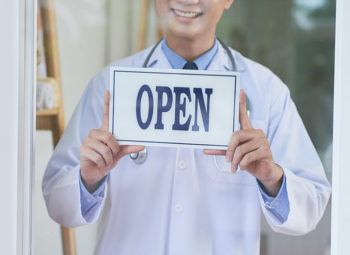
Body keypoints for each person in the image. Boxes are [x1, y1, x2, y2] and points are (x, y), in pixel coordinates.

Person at [42, 0, 331, 254]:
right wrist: (87, 181)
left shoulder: (266, 91)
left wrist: (272, 178)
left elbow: (311, 205)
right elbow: (58, 201)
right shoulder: (110, 86)